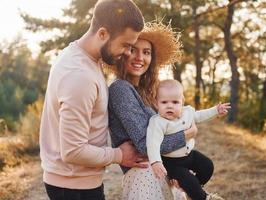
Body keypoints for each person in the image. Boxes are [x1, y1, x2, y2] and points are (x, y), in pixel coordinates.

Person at [39, 1, 146, 199]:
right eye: (126, 45)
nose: (129, 53)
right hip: (72, 187)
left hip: (76, 181)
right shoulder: (79, 75)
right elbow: (72, 151)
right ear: (103, 34)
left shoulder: (86, 58)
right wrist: (119, 155)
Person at [108, 21, 198, 200]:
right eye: (133, 49)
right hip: (143, 177)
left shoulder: (148, 93)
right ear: (123, 53)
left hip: (158, 172)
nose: (140, 57)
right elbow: (145, 145)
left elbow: (166, 130)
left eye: (146, 52)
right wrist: (187, 134)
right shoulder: (120, 89)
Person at [147, 79, 230, 200]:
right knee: (188, 179)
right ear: (156, 103)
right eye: (164, 102)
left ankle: (192, 189)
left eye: (175, 102)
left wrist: (215, 110)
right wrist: (155, 162)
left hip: (189, 155)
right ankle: (204, 197)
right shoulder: (157, 122)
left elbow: (200, 116)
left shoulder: (187, 112)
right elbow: (152, 143)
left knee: (207, 166)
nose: (170, 106)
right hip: (172, 163)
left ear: (182, 102)